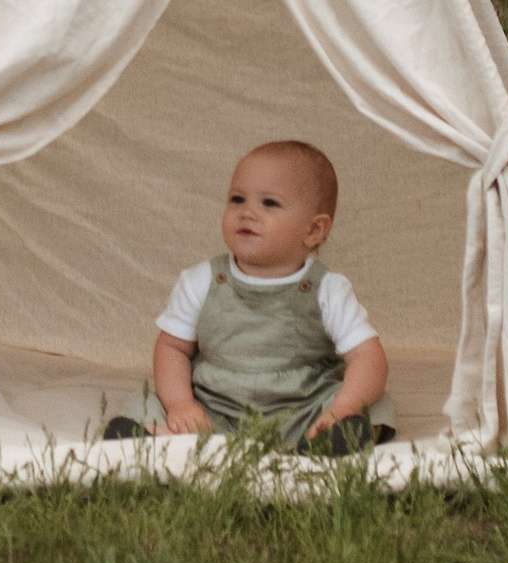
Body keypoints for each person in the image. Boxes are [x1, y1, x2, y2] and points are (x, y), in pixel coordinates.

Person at [108, 138, 393, 451]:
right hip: (214, 405)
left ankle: (327, 438)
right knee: (146, 400)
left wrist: (344, 407)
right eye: (237, 199)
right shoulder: (203, 280)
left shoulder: (326, 288)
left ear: (313, 230)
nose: (246, 213)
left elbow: (367, 356)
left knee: (373, 403)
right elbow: (172, 347)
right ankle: (151, 437)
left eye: (269, 203)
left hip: (301, 406)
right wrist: (181, 404)